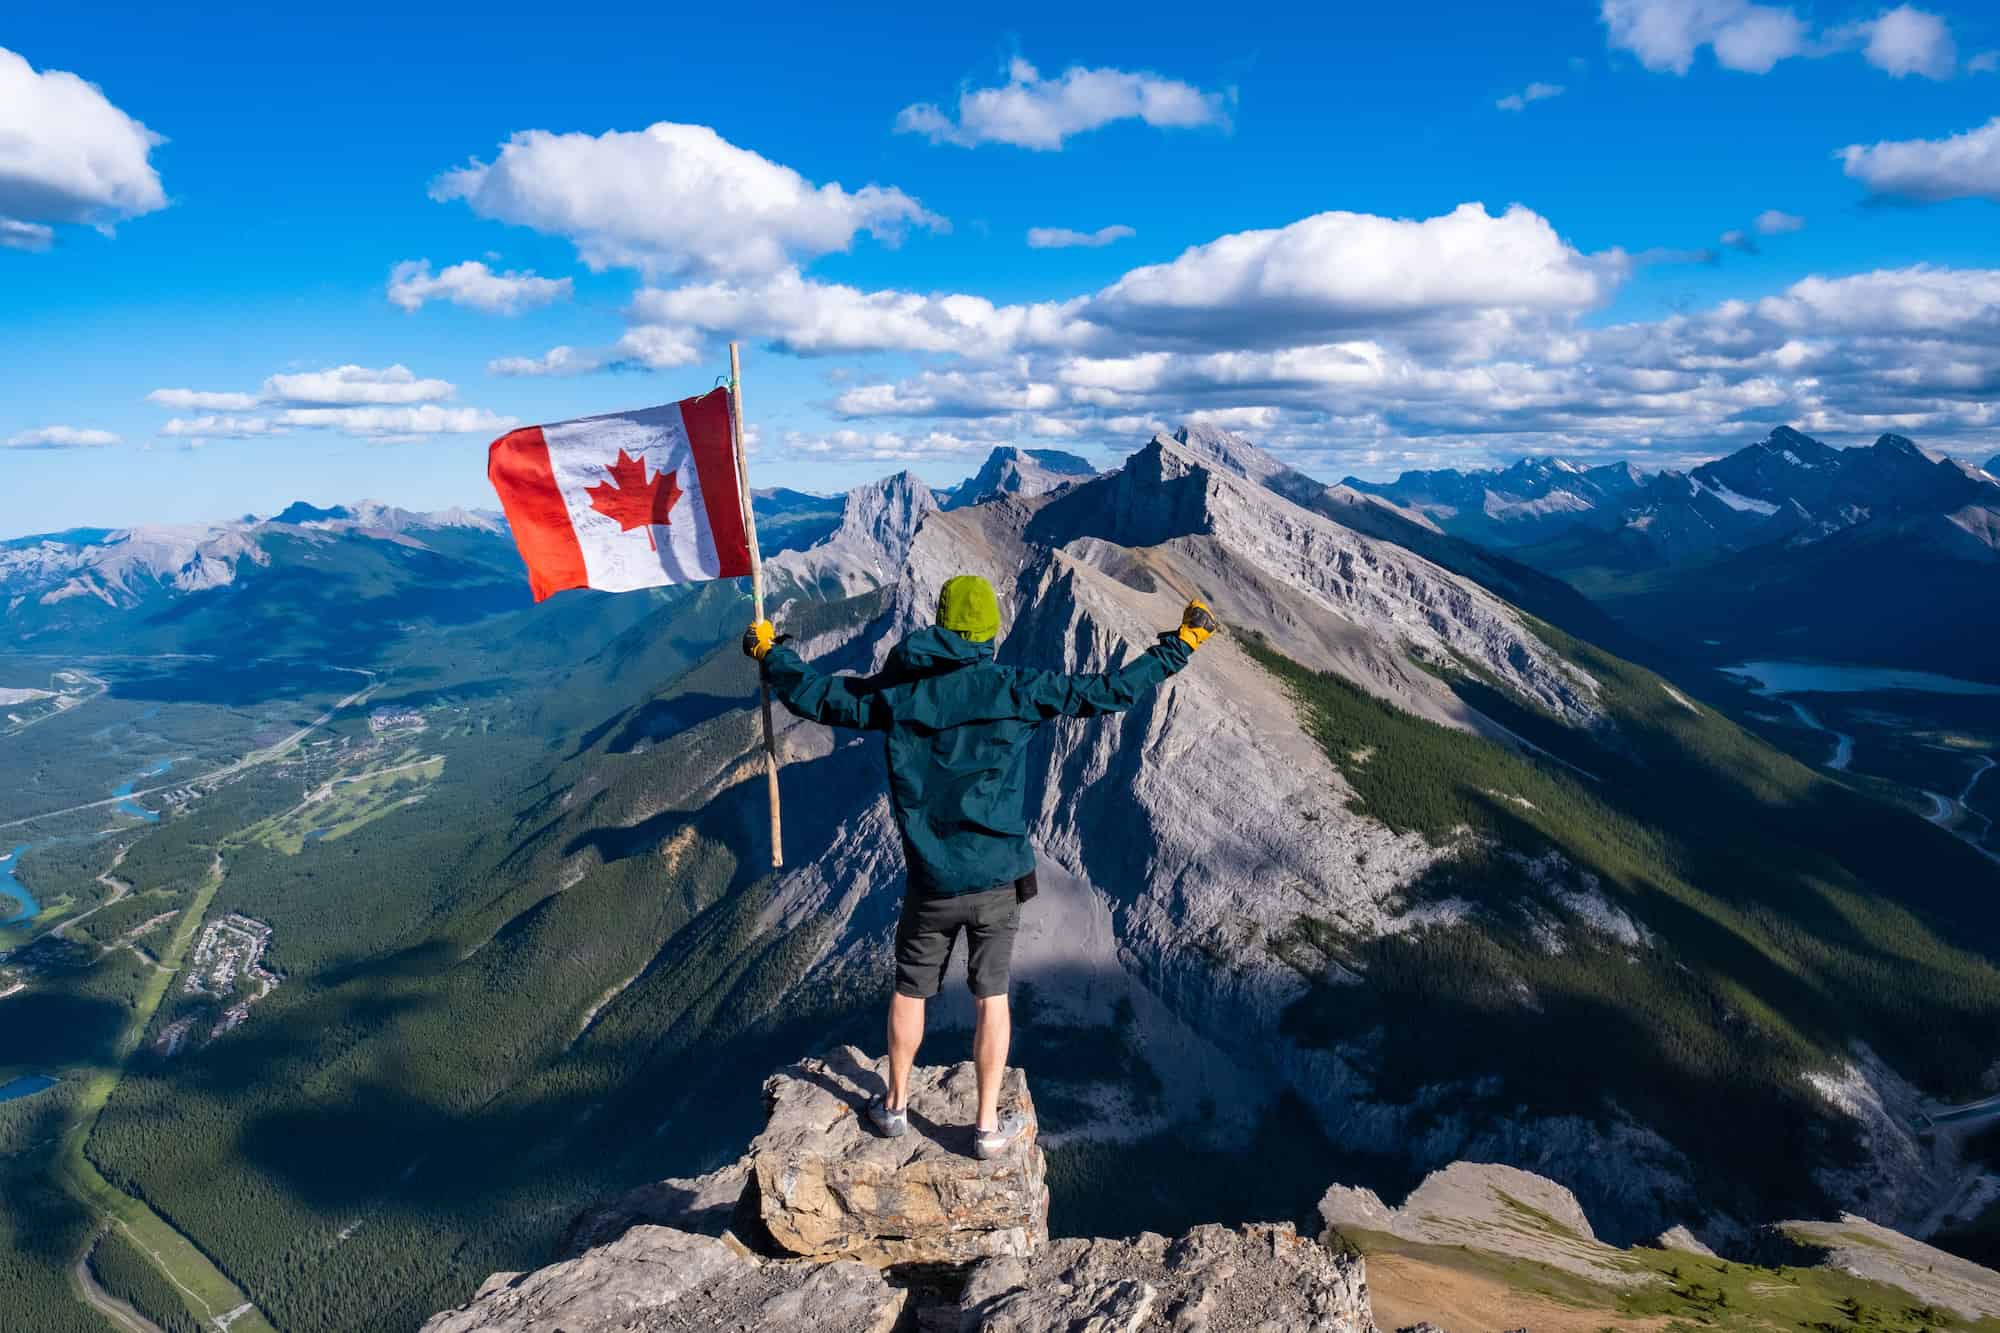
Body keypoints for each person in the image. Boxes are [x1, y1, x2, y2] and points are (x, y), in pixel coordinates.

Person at [742, 575, 1220, 1159]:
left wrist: (773, 653)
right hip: (998, 879)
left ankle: (893, 1106)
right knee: (991, 996)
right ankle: (987, 1127)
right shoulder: (1016, 689)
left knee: (911, 989)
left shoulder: (899, 697)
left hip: (932, 879)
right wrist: (1182, 643)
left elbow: (819, 696)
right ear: (989, 629)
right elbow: (1112, 691)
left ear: (941, 624)